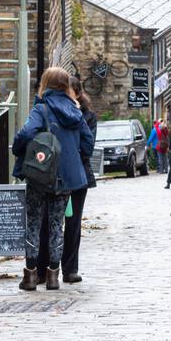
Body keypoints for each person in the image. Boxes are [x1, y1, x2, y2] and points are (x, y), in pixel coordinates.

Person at [12, 66, 91, 291]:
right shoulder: (76, 111)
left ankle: (30, 276)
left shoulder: (42, 108)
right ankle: (54, 276)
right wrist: (72, 158)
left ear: (45, 84)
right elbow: (87, 142)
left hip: (40, 174)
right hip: (66, 177)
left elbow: (25, 134)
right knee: (58, 224)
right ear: (66, 85)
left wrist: (19, 150)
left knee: (34, 222)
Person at [59, 75, 98, 284]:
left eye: (68, 92)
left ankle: (70, 268)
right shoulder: (52, 111)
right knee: (51, 222)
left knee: (73, 223)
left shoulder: (88, 116)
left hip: (77, 175)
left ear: (77, 93)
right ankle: (46, 266)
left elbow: (87, 147)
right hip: (55, 175)